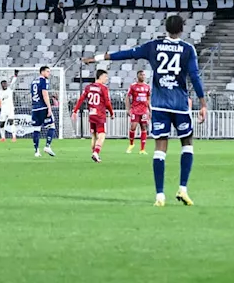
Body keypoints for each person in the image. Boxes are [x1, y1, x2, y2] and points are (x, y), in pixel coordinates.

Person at [84, 14, 207, 207]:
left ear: (166, 28)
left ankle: (160, 195)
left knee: (160, 147)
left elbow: (126, 53)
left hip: (158, 104)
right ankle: (182, 189)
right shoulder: (188, 49)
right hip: (180, 104)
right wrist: (203, 103)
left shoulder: (153, 46)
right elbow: (195, 76)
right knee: (187, 143)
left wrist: (98, 58)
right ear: (182, 29)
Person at [72, 69, 114, 162]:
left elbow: (81, 99)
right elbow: (107, 103)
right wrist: (111, 113)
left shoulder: (88, 87)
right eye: (106, 77)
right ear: (101, 76)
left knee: (94, 135)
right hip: (100, 114)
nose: (106, 79)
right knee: (102, 135)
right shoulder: (103, 88)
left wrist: (75, 111)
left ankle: (94, 154)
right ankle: (96, 153)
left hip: (91, 114)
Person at [29, 65, 56, 157]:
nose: (49, 73)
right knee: (51, 126)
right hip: (43, 107)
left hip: (35, 108)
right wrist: (49, 107)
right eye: (47, 71)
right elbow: (45, 94)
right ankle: (47, 146)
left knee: (36, 129)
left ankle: (36, 151)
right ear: (42, 72)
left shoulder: (33, 82)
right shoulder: (44, 80)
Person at [126, 70, 151, 154]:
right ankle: (131, 144)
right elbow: (127, 97)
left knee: (144, 127)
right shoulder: (133, 86)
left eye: (144, 75)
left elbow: (148, 98)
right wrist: (128, 109)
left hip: (144, 110)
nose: (143, 76)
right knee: (133, 127)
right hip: (135, 110)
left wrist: (149, 110)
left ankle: (142, 149)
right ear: (138, 76)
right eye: (141, 75)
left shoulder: (147, 86)